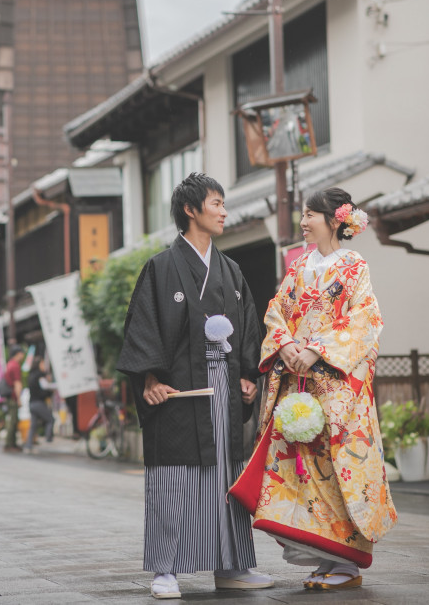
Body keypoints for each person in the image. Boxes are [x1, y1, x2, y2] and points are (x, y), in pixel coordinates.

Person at [231, 187, 397, 591]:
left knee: (338, 471)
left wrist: (318, 350)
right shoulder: (300, 266)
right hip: (299, 386)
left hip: (337, 389)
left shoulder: (354, 266)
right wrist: (286, 345)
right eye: (303, 214)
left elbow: (366, 321)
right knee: (302, 471)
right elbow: (276, 312)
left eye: (310, 215)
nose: (303, 222)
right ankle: (324, 558)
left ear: (335, 219)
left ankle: (347, 562)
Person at [117, 172, 273, 600]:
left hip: (220, 386)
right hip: (178, 389)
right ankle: (165, 569)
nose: (224, 211)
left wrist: (245, 373)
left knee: (225, 473)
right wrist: (149, 376)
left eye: (224, 204)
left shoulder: (230, 270)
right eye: (217, 203)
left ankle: (231, 564)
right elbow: (143, 325)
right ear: (191, 210)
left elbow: (246, 328)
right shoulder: (162, 268)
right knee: (175, 474)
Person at [23, 356, 56, 452]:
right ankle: (48, 439)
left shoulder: (30, 375)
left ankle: (28, 445)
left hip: (31, 403)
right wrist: (51, 392)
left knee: (33, 426)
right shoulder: (40, 376)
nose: (44, 366)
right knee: (50, 419)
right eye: (42, 364)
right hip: (38, 403)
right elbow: (46, 388)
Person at [3, 345, 25, 452]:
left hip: (8, 396)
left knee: (12, 420)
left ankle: (11, 443)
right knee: (13, 420)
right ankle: (10, 444)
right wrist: (19, 399)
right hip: (13, 397)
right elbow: (17, 384)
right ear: (18, 353)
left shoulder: (9, 364)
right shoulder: (15, 366)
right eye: (21, 353)